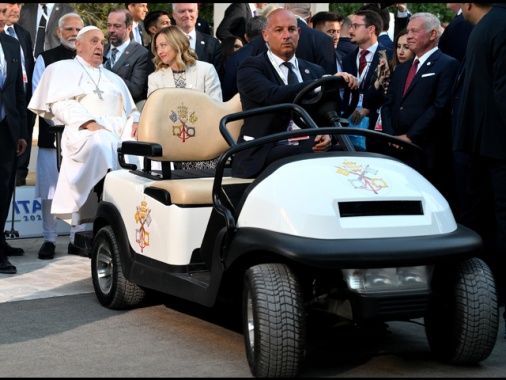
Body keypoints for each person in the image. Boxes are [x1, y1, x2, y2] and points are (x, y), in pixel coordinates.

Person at [28, 26, 140, 221]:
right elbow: (60, 104)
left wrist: (136, 123)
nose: (100, 46)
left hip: (119, 132)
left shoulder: (113, 78)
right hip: (84, 132)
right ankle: (112, 200)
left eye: (102, 43)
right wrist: (89, 122)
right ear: (78, 45)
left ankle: (135, 206)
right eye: (94, 41)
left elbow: (131, 111)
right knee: (102, 140)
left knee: (145, 148)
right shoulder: (62, 68)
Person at [233, 9, 358, 179]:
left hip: (306, 145)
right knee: (303, 156)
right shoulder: (251, 67)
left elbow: (326, 112)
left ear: (298, 33)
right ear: (265, 36)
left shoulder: (314, 70)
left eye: (291, 30)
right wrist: (320, 83)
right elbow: (272, 95)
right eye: (279, 30)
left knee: (357, 153)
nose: (286, 36)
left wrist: (326, 134)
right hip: (265, 147)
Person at [453, 4, 506, 321]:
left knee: (480, 219)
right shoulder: (497, 24)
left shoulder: (486, 27)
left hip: (479, 142)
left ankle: (480, 296)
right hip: (496, 145)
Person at [381, 12, 459, 212]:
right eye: (408, 31)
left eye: (414, 31)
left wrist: (410, 136)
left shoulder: (447, 64)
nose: (408, 36)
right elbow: (388, 104)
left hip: (427, 153)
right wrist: (392, 136)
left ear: (433, 34)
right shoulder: (402, 69)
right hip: (396, 151)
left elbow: (440, 107)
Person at [32, 12, 85, 260]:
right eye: (69, 30)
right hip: (52, 135)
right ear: (59, 32)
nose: (74, 34)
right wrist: (60, 125)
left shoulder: (92, 59)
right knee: (50, 191)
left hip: (82, 136)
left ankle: (78, 238)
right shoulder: (45, 59)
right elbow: (38, 96)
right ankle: (49, 239)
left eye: (78, 30)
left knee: (80, 188)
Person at [147, 25, 222, 170]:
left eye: (163, 45)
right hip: (169, 140)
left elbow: (215, 107)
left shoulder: (206, 70)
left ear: (177, 43)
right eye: (157, 47)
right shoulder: (155, 78)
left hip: (204, 138)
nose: (160, 51)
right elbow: (154, 114)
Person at [0, 2, 28, 274]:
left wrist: (21, 133)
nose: (3, 16)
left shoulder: (10, 43)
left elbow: (18, 90)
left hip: (7, 128)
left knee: (4, 189)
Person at [341, 10, 392, 143]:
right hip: (349, 123)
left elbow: (387, 92)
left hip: (376, 127)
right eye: (351, 26)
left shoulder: (386, 56)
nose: (351, 30)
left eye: (356, 26)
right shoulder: (348, 59)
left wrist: (369, 109)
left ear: (371, 29)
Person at [4, 3, 36, 187]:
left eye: (19, 4)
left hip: (24, 96)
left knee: (24, 137)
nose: (17, 9)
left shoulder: (23, 33)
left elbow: (28, 65)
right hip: (6, 99)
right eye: (12, 4)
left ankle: (20, 176)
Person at [103, 8, 154, 109]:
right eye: (109, 25)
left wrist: (104, 74)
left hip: (125, 112)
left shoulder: (141, 53)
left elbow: (136, 90)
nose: (111, 30)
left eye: (117, 26)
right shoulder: (101, 50)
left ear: (129, 28)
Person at [221, 15, 266, 102]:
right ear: (266, 34)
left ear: (246, 37)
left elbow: (227, 94)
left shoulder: (234, 58)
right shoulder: (277, 53)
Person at [172, 3, 223, 79]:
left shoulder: (212, 44)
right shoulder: (162, 43)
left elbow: (218, 77)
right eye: (182, 11)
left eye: (191, 11)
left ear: (197, 14)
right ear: (174, 15)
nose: (187, 15)